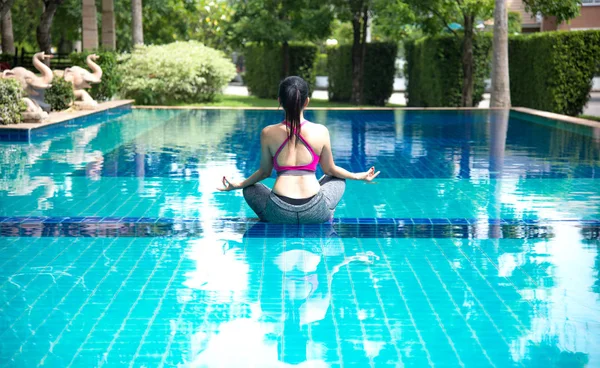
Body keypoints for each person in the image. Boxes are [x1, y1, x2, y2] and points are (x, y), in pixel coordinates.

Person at [218, 76, 380, 224]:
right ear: (306, 101)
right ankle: (327, 214)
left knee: (250, 188)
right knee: (337, 179)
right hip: (315, 211)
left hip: (279, 212)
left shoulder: (268, 133)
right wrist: (357, 176)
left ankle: (270, 218)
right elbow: (330, 169)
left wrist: (239, 184)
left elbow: (264, 172)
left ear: (280, 101)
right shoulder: (320, 131)